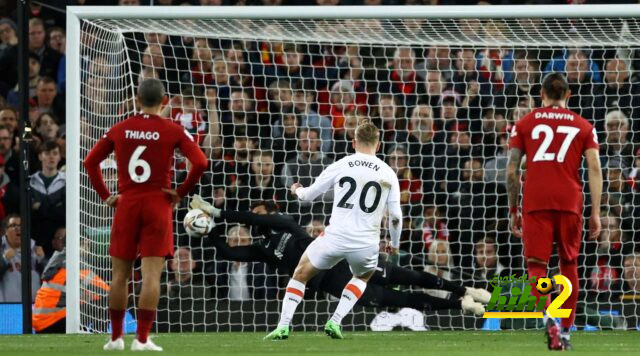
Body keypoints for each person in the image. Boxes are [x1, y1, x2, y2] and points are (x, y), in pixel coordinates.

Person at [189, 197, 489, 328]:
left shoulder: (286, 224)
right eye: (256, 213)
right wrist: (211, 232)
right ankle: (460, 305)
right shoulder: (261, 251)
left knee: (410, 274)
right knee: (404, 299)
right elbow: (230, 253)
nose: (256, 217)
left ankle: (465, 288)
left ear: (270, 211)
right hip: (337, 283)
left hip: (350, 261)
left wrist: (218, 212)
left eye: (260, 211)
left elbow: (252, 217)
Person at [83, 78, 208, 351]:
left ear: (137, 100)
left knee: (120, 275)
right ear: (164, 102)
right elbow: (201, 162)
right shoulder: (172, 129)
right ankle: (141, 339)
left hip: (127, 203)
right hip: (158, 203)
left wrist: (106, 196)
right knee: (151, 276)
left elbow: (90, 162)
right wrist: (180, 192)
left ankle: (115, 338)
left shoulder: (121, 128)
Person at [507, 72, 602, 351]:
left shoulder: (524, 123)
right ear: (568, 95)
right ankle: (566, 330)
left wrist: (513, 208)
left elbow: (512, 170)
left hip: (536, 200)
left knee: (537, 267)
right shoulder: (584, 126)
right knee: (568, 265)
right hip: (570, 201)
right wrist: (595, 211)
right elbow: (594, 168)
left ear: (541, 94)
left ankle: (550, 318)